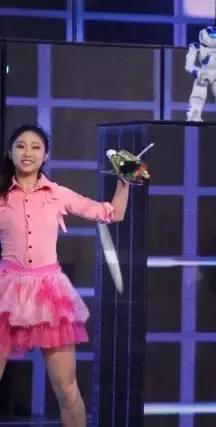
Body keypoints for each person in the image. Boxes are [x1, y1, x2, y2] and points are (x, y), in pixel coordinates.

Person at [0, 125, 130, 427]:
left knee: (67, 390)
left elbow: (112, 213)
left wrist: (124, 182)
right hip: (6, 290)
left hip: (49, 293)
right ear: (10, 152)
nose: (28, 153)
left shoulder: (57, 193)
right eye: (21, 146)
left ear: (45, 155)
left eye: (35, 147)